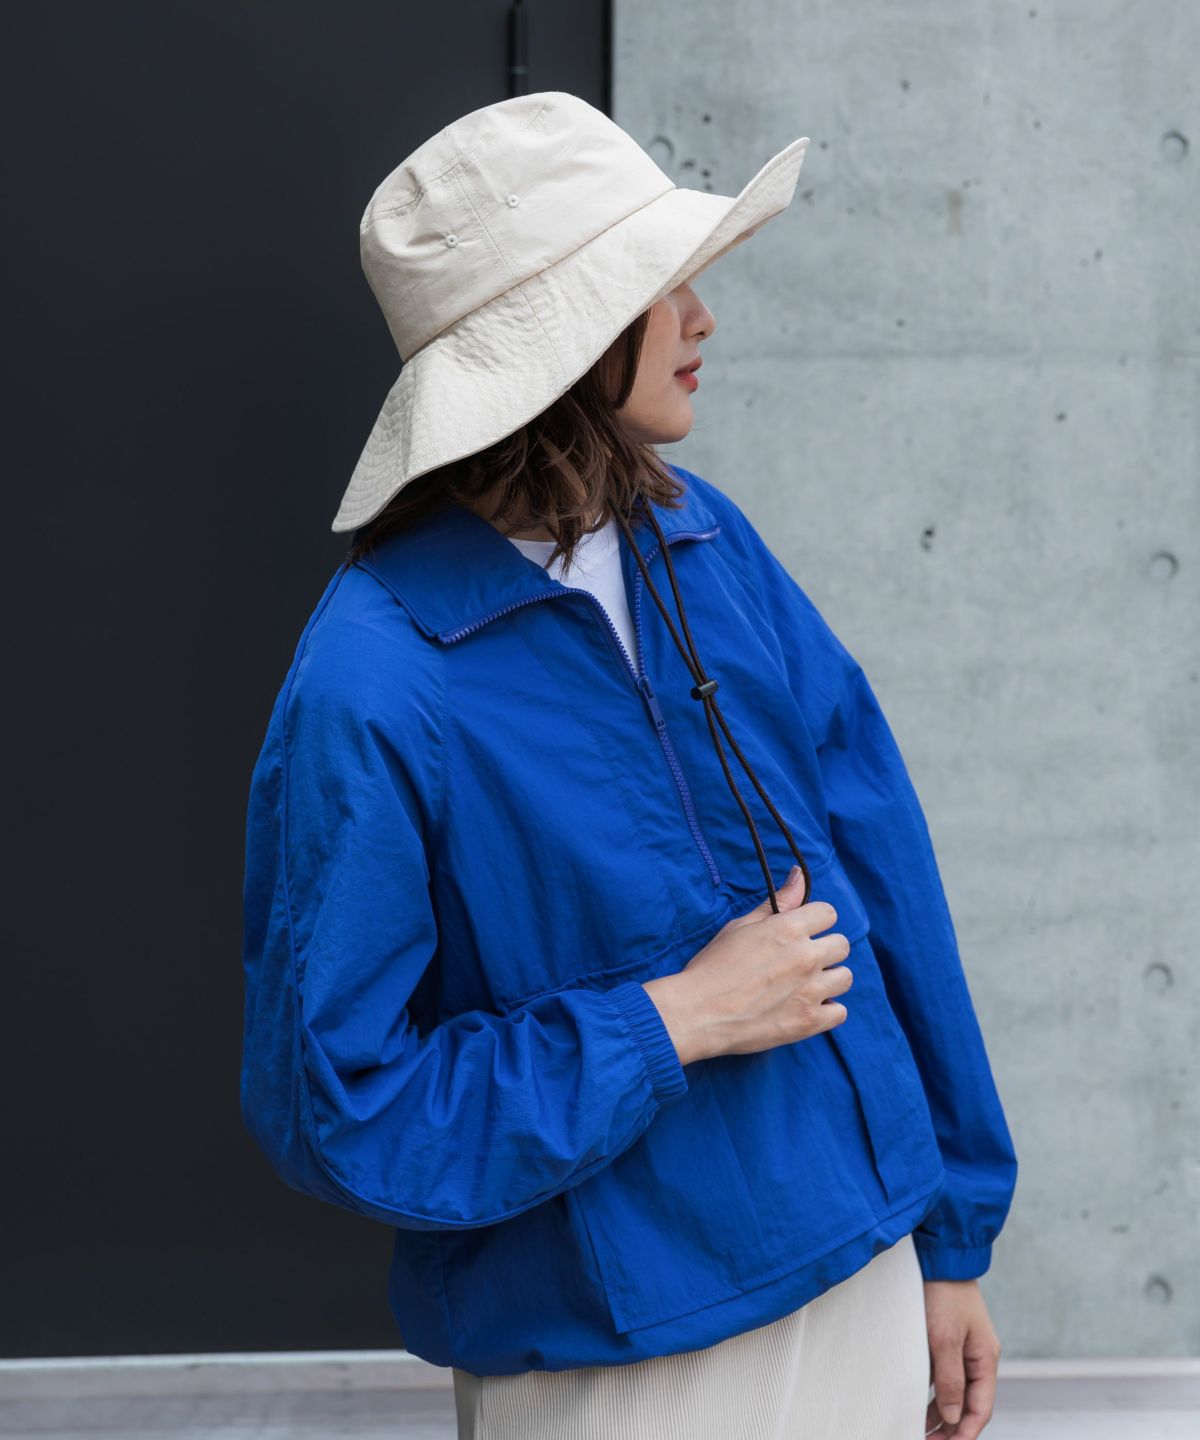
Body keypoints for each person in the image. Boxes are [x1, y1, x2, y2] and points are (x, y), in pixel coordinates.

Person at [239, 92, 1018, 1440]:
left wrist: (952, 1237)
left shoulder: (705, 541)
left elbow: (881, 869)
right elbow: (341, 1105)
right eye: (661, 287)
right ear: (569, 338)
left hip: (867, 1270)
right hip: (614, 1363)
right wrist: (671, 1022)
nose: (703, 318)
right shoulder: (377, 679)